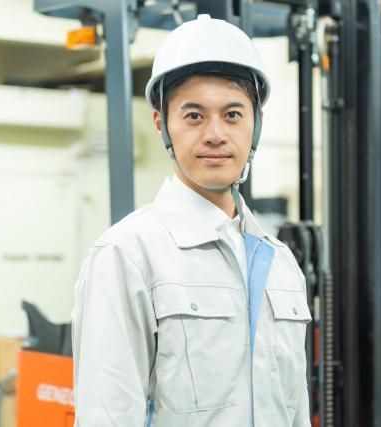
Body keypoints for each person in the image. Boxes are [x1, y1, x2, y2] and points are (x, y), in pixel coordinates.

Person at [72, 14, 312, 427]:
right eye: (194, 116)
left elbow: (296, 413)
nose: (216, 134)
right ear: (162, 124)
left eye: (233, 114)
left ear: (256, 124)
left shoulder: (281, 263)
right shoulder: (128, 256)